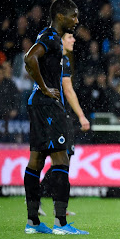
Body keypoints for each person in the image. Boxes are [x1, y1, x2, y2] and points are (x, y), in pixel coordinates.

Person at [24, 0, 88, 235]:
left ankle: (33, 222)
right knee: (61, 160)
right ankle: (61, 223)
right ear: (61, 17)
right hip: (48, 106)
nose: (76, 20)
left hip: (38, 104)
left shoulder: (49, 37)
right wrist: (43, 87)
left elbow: (32, 60)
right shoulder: (51, 37)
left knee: (36, 160)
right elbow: (29, 58)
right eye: (74, 16)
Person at [39, 32, 91, 216]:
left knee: (59, 158)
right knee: (62, 159)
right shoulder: (62, 59)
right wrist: (82, 116)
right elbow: (68, 90)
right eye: (70, 37)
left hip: (49, 113)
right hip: (59, 115)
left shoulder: (48, 59)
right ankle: (41, 197)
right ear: (60, 40)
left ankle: (56, 203)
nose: (74, 40)